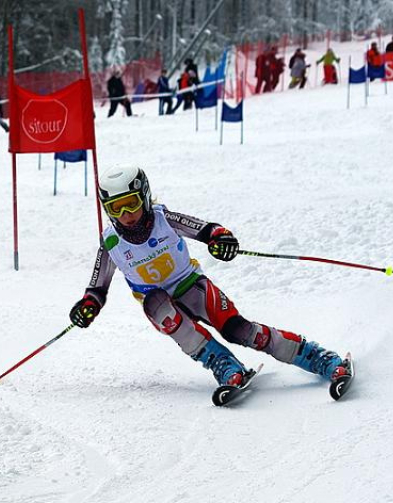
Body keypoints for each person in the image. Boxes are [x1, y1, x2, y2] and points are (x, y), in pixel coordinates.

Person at [68, 166, 353, 391]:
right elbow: (97, 287)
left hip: (192, 286)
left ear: (143, 195)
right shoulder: (111, 243)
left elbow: (207, 229)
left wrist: (221, 239)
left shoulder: (163, 218)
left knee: (239, 330)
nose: (126, 215)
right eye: (116, 208)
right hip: (158, 302)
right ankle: (226, 366)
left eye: (130, 203)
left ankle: (319, 358)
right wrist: (87, 306)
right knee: (160, 306)